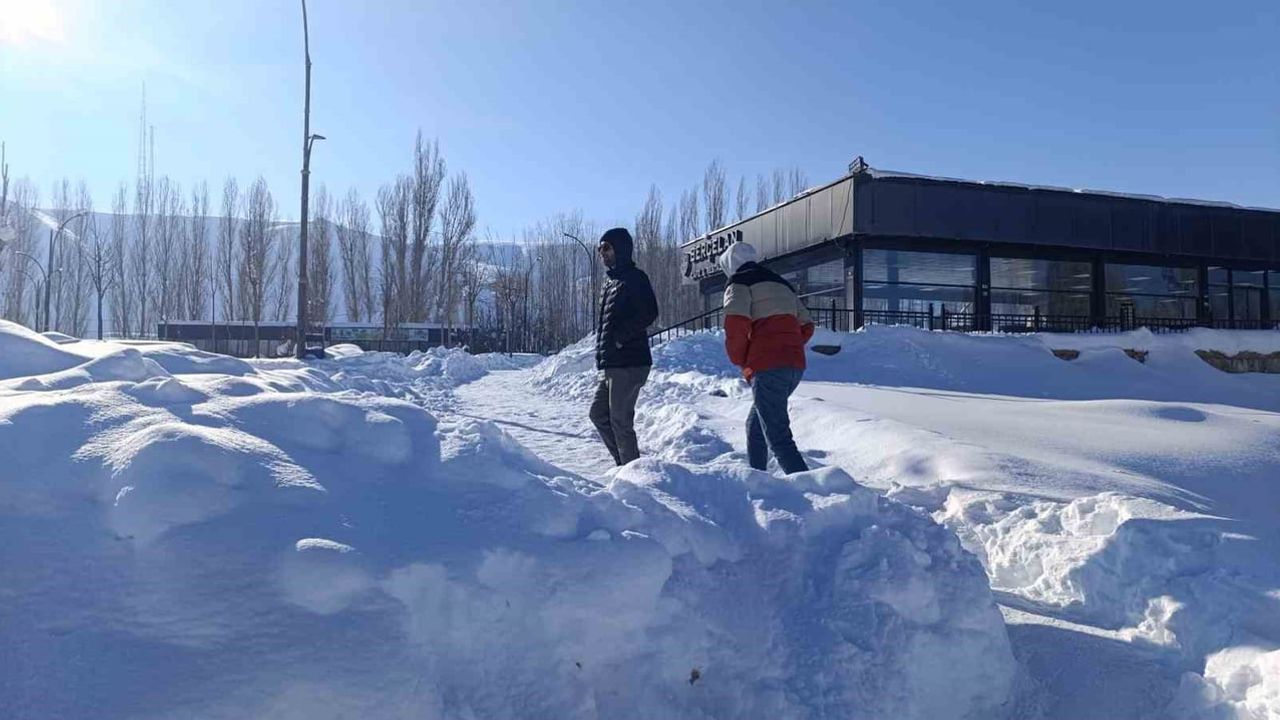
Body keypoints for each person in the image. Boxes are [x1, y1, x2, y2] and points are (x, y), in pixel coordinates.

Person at [718, 241, 813, 474]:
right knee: (756, 426)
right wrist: (787, 345)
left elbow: (736, 324)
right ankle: (758, 478)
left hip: (768, 365)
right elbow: (807, 325)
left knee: (778, 438)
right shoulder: (781, 283)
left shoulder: (739, 283)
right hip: (794, 365)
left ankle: (814, 492)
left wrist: (744, 359)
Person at [589, 227, 660, 466]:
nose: (602, 253)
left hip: (630, 361)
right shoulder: (610, 283)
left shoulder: (635, 278)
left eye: (606, 247)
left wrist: (620, 338)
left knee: (620, 421)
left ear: (621, 248)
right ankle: (626, 465)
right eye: (600, 249)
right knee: (598, 414)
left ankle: (635, 475)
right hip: (614, 363)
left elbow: (649, 312)